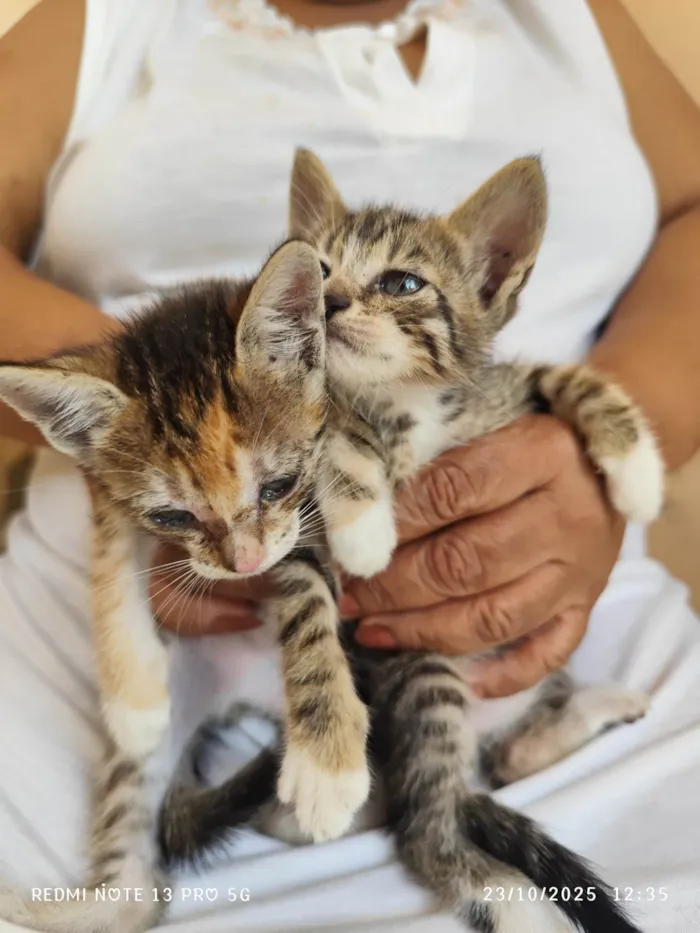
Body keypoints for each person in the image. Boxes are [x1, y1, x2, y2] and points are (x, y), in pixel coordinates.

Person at [0, 0, 699, 930]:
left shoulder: (572, 15)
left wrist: (597, 452)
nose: (341, 302)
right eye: (325, 284)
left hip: (550, 633)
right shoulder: (106, 18)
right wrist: (153, 420)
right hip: (142, 629)